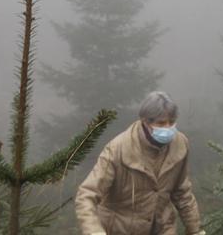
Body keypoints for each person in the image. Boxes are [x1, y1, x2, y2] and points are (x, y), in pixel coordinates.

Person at [76, 91, 204, 235]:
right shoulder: (118, 149)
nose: (168, 128)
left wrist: (195, 230)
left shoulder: (180, 143)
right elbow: (87, 194)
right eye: (161, 123)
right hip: (120, 229)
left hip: (163, 228)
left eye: (172, 121)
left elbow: (182, 192)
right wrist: (94, 232)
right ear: (145, 121)